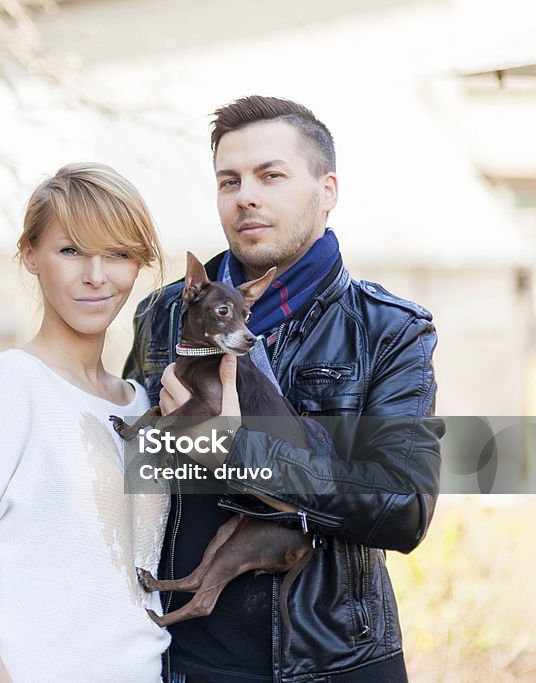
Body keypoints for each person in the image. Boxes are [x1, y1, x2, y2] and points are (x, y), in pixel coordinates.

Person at [123, 96, 443, 683]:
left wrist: (238, 451)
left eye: (271, 175)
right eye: (230, 180)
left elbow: (403, 507)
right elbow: (128, 472)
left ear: (328, 190)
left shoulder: (388, 329)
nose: (247, 194)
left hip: (334, 659)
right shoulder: (163, 312)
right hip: (178, 655)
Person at [0, 162, 171, 682]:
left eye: (117, 253)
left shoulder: (145, 406)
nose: (96, 276)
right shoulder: (14, 382)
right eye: (71, 251)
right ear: (30, 255)